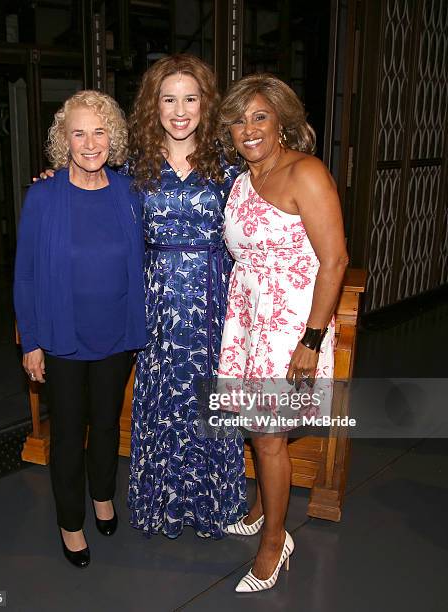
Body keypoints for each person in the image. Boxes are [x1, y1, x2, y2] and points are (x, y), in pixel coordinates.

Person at [216, 74, 348, 591]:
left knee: (268, 437)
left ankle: (275, 540)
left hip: (291, 326)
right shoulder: (242, 178)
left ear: (282, 122)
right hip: (249, 321)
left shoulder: (306, 173)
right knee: (260, 431)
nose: (248, 128)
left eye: (259, 116)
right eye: (237, 120)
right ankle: (259, 508)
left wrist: (311, 340)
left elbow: (335, 261)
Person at [14, 90, 146, 568]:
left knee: (108, 424)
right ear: (62, 140)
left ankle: (104, 496)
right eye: (78, 132)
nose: (90, 143)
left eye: (99, 131)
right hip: (63, 338)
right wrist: (31, 341)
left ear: (113, 136)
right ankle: (71, 523)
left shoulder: (131, 192)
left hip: (117, 336)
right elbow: (25, 274)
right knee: (68, 433)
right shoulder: (44, 194)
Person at [126, 54, 247, 538]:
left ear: (206, 104)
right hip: (155, 303)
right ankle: (161, 503)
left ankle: (213, 504)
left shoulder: (231, 165)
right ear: (152, 105)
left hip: (214, 302)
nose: (180, 110)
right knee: (160, 401)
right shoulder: (132, 166)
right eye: (169, 98)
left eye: (191, 98)